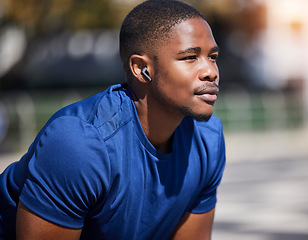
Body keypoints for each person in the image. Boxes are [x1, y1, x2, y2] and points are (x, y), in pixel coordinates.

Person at [0, 0, 226, 239]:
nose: (211, 71)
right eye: (190, 57)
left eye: (212, 57)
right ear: (141, 69)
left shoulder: (207, 139)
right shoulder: (80, 145)